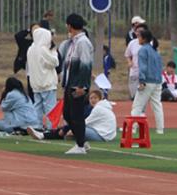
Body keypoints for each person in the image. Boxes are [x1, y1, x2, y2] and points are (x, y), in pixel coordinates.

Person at [58, 13, 93, 155]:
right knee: (67, 113)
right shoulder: (72, 42)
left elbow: (85, 65)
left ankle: (80, 145)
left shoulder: (83, 42)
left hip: (77, 85)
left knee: (76, 115)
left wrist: (82, 86)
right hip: (69, 83)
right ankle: (82, 141)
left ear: (70, 26)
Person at [43, 89, 116, 144]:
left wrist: (72, 130)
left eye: (95, 98)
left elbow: (84, 122)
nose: (93, 100)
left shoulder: (98, 109)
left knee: (75, 128)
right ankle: (50, 134)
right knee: (71, 129)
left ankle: (47, 135)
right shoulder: (103, 107)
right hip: (106, 135)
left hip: (102, 136)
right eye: (91, 98)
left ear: (100, 99)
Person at [131, 28, 165, 134]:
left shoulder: (143, 50)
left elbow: (143, 67)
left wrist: (142, 80)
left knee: (137, 105)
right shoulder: (155, 51)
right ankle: (160, 129)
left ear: (144, 38)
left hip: (147, 81)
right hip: (157, 81)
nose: (138, 39)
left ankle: (132, 128)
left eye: (139, 37)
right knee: (157, 106)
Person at [26, 25, 59, 128]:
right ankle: (51, 128)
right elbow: (54, 62)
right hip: (47, 83)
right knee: (50, 108)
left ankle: (37, 126)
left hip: (36, 84)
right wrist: (54, 52)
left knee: (37, 107)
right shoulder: (43, 49)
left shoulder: (30, 49)